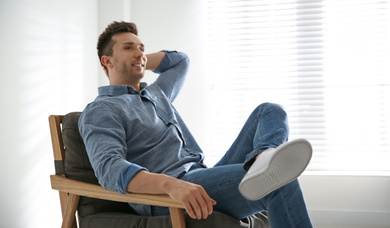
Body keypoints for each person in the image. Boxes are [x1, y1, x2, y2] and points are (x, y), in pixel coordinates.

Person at [78, 21, 314, 227]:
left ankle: (262, 157)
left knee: (270, 111)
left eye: (142, 48)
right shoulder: (102, 110)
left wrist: (138, 59)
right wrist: (173, 186)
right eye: (128, 48)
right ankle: (266, 169)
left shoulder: (157, 93)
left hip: (202, 175)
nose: (140, 53)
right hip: (168, 194)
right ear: (106, 60)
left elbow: (180, 61)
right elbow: (110, 169)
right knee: (278, 178)